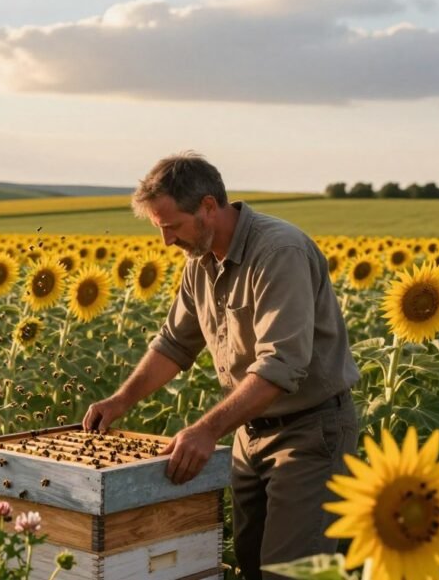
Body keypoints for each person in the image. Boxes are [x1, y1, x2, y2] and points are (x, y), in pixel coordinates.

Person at [83, 152, 359, 580]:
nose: (167, 242)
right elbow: (174, 344)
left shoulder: (278, 251)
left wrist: (206, 430)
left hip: (309, 435)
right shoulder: (200, 263)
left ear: (209, 207)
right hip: (250, 434)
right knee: (249, 564)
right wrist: (122, 399)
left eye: (171, 226)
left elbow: (281, 365)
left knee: (294, 573)